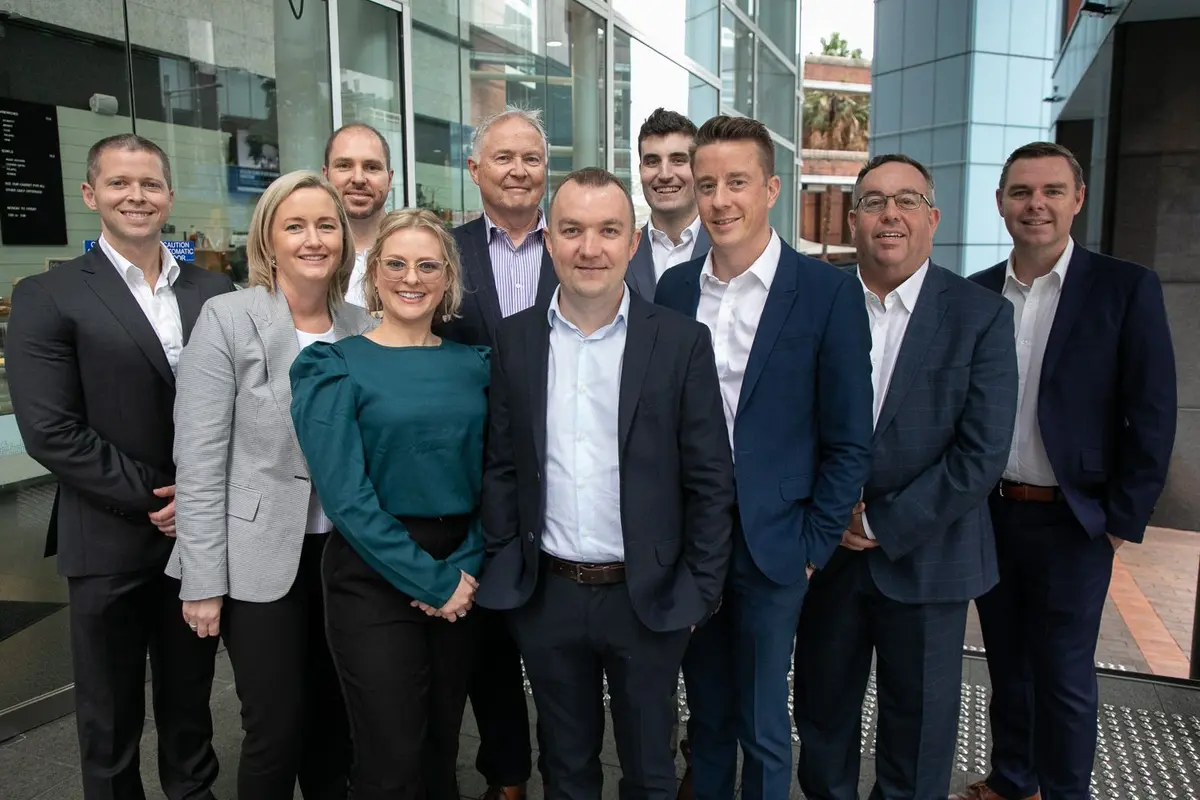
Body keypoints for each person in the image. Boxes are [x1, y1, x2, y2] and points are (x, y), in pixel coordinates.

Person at [477, 166, 734, 800]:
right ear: (550, 240)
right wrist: (509, 565)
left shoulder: (680, 343)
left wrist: (698, 591)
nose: (589, 248)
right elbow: (503, 467)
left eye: (607, 230)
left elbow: (709, 478)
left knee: (649, 772)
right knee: (564, 769)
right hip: (549, 596)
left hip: (648, 600)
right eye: (571, 230)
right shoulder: (514, 341)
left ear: (633, 242)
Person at [6, 134, 234, 799]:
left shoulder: (214, 289)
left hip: (195, 539)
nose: (135, 196)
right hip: (106, 538)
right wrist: (159, 495)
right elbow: (51, 430)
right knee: (108, 716)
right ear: (89, 194)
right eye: (118, 184)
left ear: (168, 195)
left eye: (149, 184)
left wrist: (196, 499)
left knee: (192, 701)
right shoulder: (47, 294)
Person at [655, 115, 874, 800]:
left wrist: (811, 546)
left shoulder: (827, 291)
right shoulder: (675, 290)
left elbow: (848, 437)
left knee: (762, 724)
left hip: (774, 546)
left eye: (737, 183)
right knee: (708, 718)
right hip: (693, 540)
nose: (720, 200)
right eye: (708, 183)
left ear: (772, 188)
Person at [954, 142, 1177, 800]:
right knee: (1006, 665)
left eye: (1052, 191)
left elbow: (1153, 412)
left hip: (1074, 521)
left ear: (1077, 199)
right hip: (991, 514)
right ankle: (1012, 779)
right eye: (1021, 192)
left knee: (1064, 674)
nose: (1036, 204)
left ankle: (1064, 792)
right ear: (1000, 204)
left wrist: (1118, 523)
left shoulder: (1123, 287)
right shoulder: (976, 295)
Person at [791, 154, 1018, 799]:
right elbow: (782, 418)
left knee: (918, 736)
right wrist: (830, 513)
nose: (890, 214)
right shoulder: (814, 297)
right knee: (822, 716)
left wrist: (884, 522)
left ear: (933, 218)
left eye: (907, 201)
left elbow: (981, 453)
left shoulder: (981, 314)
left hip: (928, 557)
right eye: (874, 201)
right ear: (854, 218)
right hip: (827, 556)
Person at [168, 171, 372, 799]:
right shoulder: (228, 318)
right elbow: (198, 459)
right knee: (274, 729)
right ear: (269, 238)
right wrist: (202, 582)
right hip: (259, 560)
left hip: (344, 558)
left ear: (343, 238)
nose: (313, 239)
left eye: (326, 225)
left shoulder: (362, 326)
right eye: (296, 226)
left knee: (337, 726)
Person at [290, 208, 488, 800]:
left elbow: (495, 479)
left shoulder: (475, 365)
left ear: (447, 278)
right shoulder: (332, 365)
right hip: (372, 575)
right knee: (390, 755)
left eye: (429, 265)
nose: (412, 277)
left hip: (461, 570)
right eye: (396, 263)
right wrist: (433, 582)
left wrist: (468, 568)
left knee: (440, 747)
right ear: (374, 274)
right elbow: (346, 498)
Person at [435, 106, 558, 800]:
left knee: (551, 636)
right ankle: (506, 777)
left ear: (547, 171)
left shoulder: (576, 248)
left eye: (531, 158)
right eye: (503, 158)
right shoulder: (443, 250)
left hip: (553, 474)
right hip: (466, 477)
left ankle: (565, 766)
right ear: (475, 169)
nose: (518, 170)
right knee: (484, 643)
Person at [626, 107, 711, 298]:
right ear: (641, 170)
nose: (665, 174)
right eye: (652, 161)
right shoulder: (621, 253)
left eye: (678, 160)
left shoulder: (725, 248)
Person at [323, 122, 394, 306]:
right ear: (325, 175)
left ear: (390, 178)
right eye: (344, 165)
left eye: (371, 167)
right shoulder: (308, 253)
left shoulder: (416, 249)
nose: (359, 179)